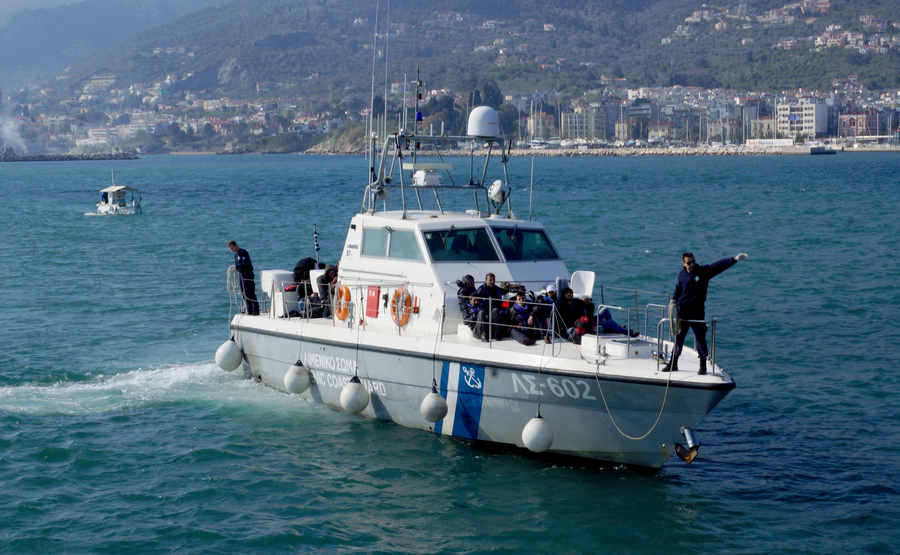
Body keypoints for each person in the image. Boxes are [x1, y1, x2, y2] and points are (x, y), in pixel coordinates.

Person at [666, 251, 748, 374]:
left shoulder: (702, 272)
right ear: (684, 263)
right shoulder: (681, 275)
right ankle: (673, 364)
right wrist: (674, 299)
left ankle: (703, 366)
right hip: (683, 312)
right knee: (679, 338)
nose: (692, 264)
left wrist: (734, 259)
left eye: (693, 261)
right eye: (689, 263)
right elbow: (678, 289)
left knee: (700, 338)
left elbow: (718, 266)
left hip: (697, 312)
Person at [474, 273, 508, 341]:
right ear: (486, 280)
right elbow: (477, 304)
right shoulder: (481, 290)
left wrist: (516, 290)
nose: (492, 282)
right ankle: (482, 334)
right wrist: (485, 314)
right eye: (490, 280)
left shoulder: (497, 289)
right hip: (485, 314)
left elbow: (504, 291)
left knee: (496, 310)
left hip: (494, 313)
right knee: (482, 313)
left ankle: (496, 334)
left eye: (494, 280)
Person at [228, 240, 259, 315]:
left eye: (232, 248)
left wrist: (237, 266)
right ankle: (249, 309)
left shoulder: (243, 252)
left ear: (236, 245)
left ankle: (255, 310)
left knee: (250, 292)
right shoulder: (235, 256)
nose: (232, 250)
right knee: (244, 293)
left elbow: (245, 263)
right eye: (231, 249)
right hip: (241, 276)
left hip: (248, 275)